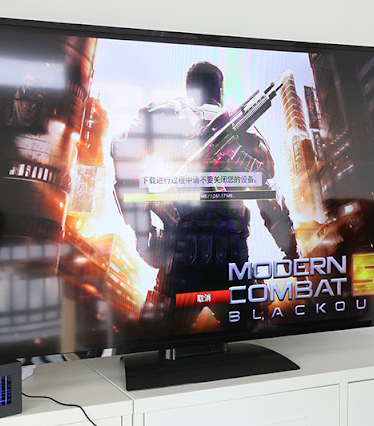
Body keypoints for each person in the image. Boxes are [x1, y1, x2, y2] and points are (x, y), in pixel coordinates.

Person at [112, 61, 298, 332]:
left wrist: (144, 233)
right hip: (230, 257)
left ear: (189, 89)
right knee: (253, 340)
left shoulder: (171, 117)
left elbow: (122, 148)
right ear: (220, 91)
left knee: (155, 343)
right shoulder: (241, 128)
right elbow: (269, 194)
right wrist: (291, 249)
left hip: (180, 256)